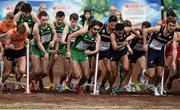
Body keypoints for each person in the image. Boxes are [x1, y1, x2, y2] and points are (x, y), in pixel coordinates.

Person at [143, 17, 178, 96]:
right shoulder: (158, 29)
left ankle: (155, 88)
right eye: (170, 25)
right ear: (166, 25)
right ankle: (144, 73)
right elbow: (145, 30)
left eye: (173, 26)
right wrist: (145, 43)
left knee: (159, 75)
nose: (171, 28)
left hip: (160, 52)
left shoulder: (174, 35)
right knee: (151, 75)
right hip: (151, 51)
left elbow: (174, 49)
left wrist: (173, 62)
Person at [66, 20, 103, 95]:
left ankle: (78, 86)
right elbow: (70, 37)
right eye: (94, 29)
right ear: (91, 27)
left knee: (86, 75)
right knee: (77, 75)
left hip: (83, 54)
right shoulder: (83, 31)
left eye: (98, 29)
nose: (96, 31)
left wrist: (90, 52)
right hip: (74, 52)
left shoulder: (98, 36)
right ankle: (69, 78)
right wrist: (68, 51)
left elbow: (97, 49)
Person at [30, 11, 57, 92]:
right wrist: (45, 52)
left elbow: (55, 34)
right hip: (36, 48)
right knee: (36, 71)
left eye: (46, 19)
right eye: (43, 20)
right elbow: (38, 43)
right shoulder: (36, 28)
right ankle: (29, 82)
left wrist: (53, 41)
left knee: (45, 72)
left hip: (45, 48)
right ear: (39, 19)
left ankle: (35, 80)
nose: (45, 22)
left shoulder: (50, 24)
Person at [1, 23, 30, 90]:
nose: (20, 35)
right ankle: (1, 83)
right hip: (10, 52)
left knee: (22, 71)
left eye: (22, 34)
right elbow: (5, 47)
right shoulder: (10, 33)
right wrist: (9, 46)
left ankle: (18, 82)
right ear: (16, 30)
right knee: (7, 72)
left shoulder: (25, 32)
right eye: (19, 33)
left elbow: (27, 27)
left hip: (20, 51)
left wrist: (26, 40)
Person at [45, 11, 66, 91]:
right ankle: (52, 84)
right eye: (58, 19)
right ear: (56, 17)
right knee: (50, 67)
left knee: (66, 68)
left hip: (63, 48)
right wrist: (55, 50)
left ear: (63, 18)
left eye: (61, 19)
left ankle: (64, 84)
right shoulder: (52, 24)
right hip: (54, 48)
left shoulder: (66, 25)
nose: (60, 21)